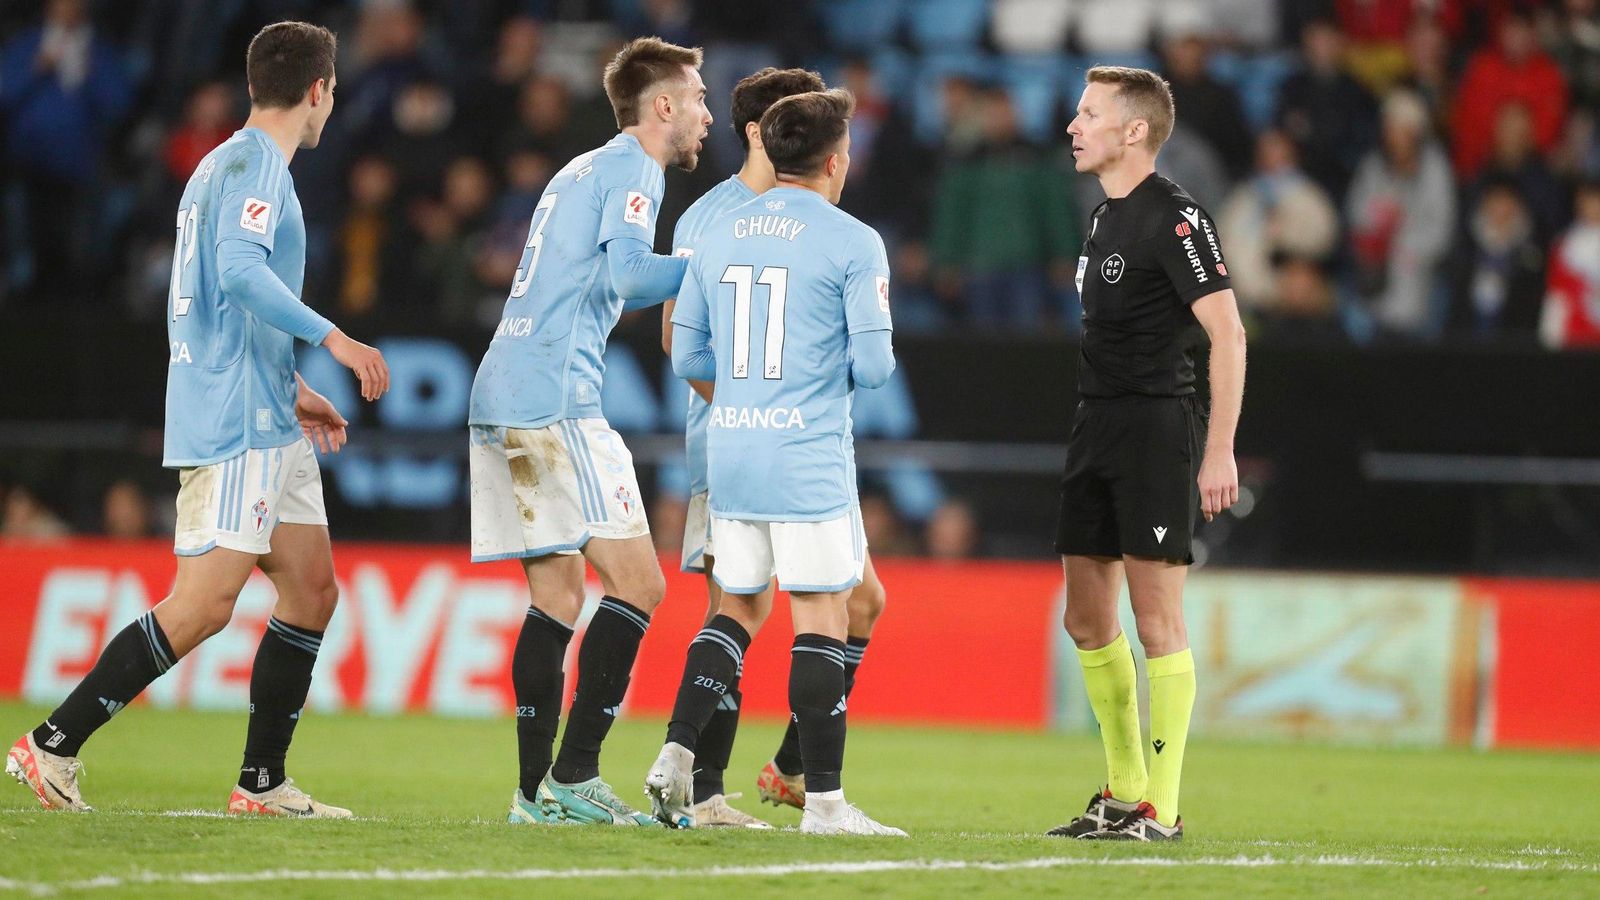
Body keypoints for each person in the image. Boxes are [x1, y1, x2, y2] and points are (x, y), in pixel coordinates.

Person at [7, 21, 390, 817]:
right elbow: (241, 275)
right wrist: (335, 338)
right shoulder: (254, 165)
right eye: (332, 92)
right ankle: (51, 744)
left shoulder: (227, 164)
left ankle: (262, 783)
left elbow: (213, 306)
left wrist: (289, 386)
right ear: (317, 90)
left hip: (265, 412)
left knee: (312, 591)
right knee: (204, 604)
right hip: (233, 423)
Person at [466, 37, 710, 827]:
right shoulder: (636, 166)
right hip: (553, 398)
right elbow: (637, 275)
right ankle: (573, 777)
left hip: (506, 386)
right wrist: (718, 265)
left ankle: (535, 794)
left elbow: (605, 274)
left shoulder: (585, 165)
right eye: (700, 100)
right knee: (640, 585)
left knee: (559, 594)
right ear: (662, 105)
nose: (707, 115)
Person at [651, 67, 890, 829]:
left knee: (741, 611)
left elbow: (686, 352)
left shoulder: (718, 230)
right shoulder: (852, 239)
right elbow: (877, 368)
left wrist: (747, 400)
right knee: (820, 614)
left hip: (733, 453)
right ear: (833, 159)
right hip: (804, 452)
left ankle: (677, 758)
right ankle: (818, 798)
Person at [1051, 66, 1246, 841]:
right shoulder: (1103, 218)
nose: (1073, 125)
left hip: (1157, 428)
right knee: (1085, 618)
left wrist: (1220, 449)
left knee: (1156, 618)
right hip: (1094, 424)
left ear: (1134, 131)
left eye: (1088, 113)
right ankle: (1122, 791)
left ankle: (1159, 807)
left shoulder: (1178, 219)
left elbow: (1228, 334)